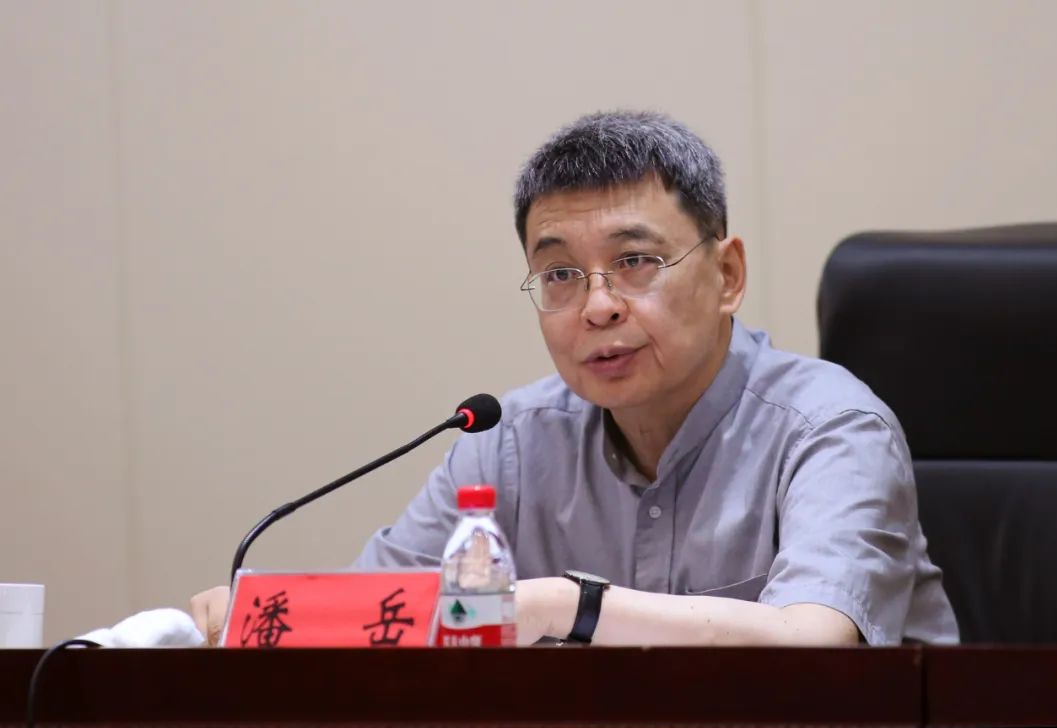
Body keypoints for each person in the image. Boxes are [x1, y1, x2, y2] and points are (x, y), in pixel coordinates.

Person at [191, 110, 959, 648]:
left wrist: (568, 606)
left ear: (727, 276)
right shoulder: (506, 445)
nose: (597, 306)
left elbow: (814, 640)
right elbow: (377, 618)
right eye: (560, 274)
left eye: (635, 262)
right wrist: (263, 614)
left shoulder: (830, 427)